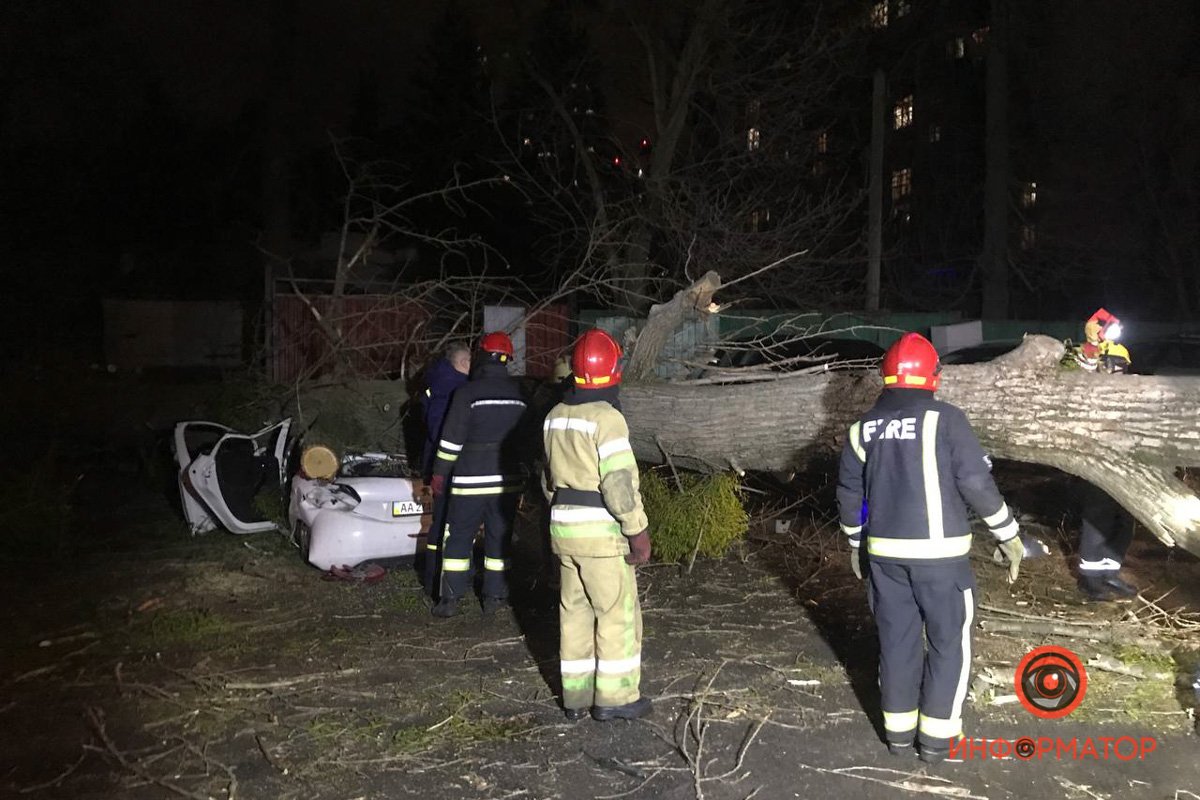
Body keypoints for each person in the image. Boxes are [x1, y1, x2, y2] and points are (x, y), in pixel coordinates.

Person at [837, 332, 1025, 764]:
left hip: (884, 560)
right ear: (934, 377)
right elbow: (975, 482)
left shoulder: (861, 428)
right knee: (947, 644)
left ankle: (898, 737)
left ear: (884, 378)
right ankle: (936, 742)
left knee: (897, 643)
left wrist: (854, 542)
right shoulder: (946, 420)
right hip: (942, 562)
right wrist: (1008, 534)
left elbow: (849, 491)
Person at [542, 328, 652, 722]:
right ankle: (616, 699)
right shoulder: (608, 418)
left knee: (573, 613)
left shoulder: (555, 416)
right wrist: (637, 530)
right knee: (616, 615)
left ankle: (575, 698)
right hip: (602, 536)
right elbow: (619, 484)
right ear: (613, 369)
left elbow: (548, 480)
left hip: (563, 532)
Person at [430, 332, 531, 617]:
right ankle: (495, 597)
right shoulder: (521, 394)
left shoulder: (467, 393)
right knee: (499, 539)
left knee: (459, 538)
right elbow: (529, 439)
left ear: (481, 356)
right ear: (506, 360)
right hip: (506, 481)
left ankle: (450, 600)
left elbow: (450, 442)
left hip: (469, 481)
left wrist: (439, 473)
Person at [1065, 309, 1137, 601]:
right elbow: (1078, 376)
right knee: (1099, 515)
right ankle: (1090, 577)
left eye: (1121, 365)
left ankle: (1109, 570)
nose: (1117, 370)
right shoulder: (1087, 381)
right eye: (1112, 364)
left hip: (1124, 460)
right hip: (1095, 457)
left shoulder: (1131, 390)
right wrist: (1092, 348)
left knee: (1124, 519)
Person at [420, 342, 471, 598]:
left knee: (442, 525)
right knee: (445, 526)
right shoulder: (454, 389)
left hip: (441, 467)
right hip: (449, 468)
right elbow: (441, 431)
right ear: (462, 363)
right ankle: (439, 584)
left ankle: (437, 581)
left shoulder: (439, 382)